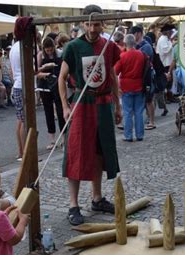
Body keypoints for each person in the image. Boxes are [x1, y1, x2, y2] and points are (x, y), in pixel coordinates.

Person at [58, 4, 122, 225]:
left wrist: (118, 105)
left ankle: (97, 198)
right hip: (81, 104)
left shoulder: (109, 46)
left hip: (103, 104)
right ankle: (73, 205)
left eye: (97, 24)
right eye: (89, 24)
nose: (93, 28)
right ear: (83, 23)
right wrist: (66, 106)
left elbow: (112, 76)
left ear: (103, 23)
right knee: (76, 152)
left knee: (100, 152)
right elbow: (61, 77)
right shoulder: (74, 47)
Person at [115, 34, 146, 142]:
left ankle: (128, 135)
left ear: (125, 43)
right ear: (135, 42)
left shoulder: (122, 56)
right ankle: (140, 135)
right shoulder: (141, 54)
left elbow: (115, 71)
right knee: (139, 112)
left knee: (127, 112)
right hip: (139, 85)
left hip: (126, 86)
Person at [37, 37, 66, 150]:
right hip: (45, 86)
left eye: (51, 50)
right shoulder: (40, 55)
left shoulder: (59, 54)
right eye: (47, 50)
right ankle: (52, 139)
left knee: (60, 111)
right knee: (48, 112)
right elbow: (36, 73)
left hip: (57, 85)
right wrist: (46, 72)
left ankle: (64, 137)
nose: (49, 52)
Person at [131, 26, 156, 130]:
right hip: (137, 76)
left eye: (133, 34)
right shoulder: (135, 46)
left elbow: (143, 62)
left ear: (138, 34)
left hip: (147, 76)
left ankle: (152, 121)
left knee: (148, 99)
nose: (132, 36)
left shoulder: (146, 46)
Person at [10, 38, 26, 161]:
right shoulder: (23, 46)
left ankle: (21, 152)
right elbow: (28, 69)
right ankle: (25, 152)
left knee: (20, 120)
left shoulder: (14, 47)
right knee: (25, 120)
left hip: (17, 84)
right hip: (23, 85)